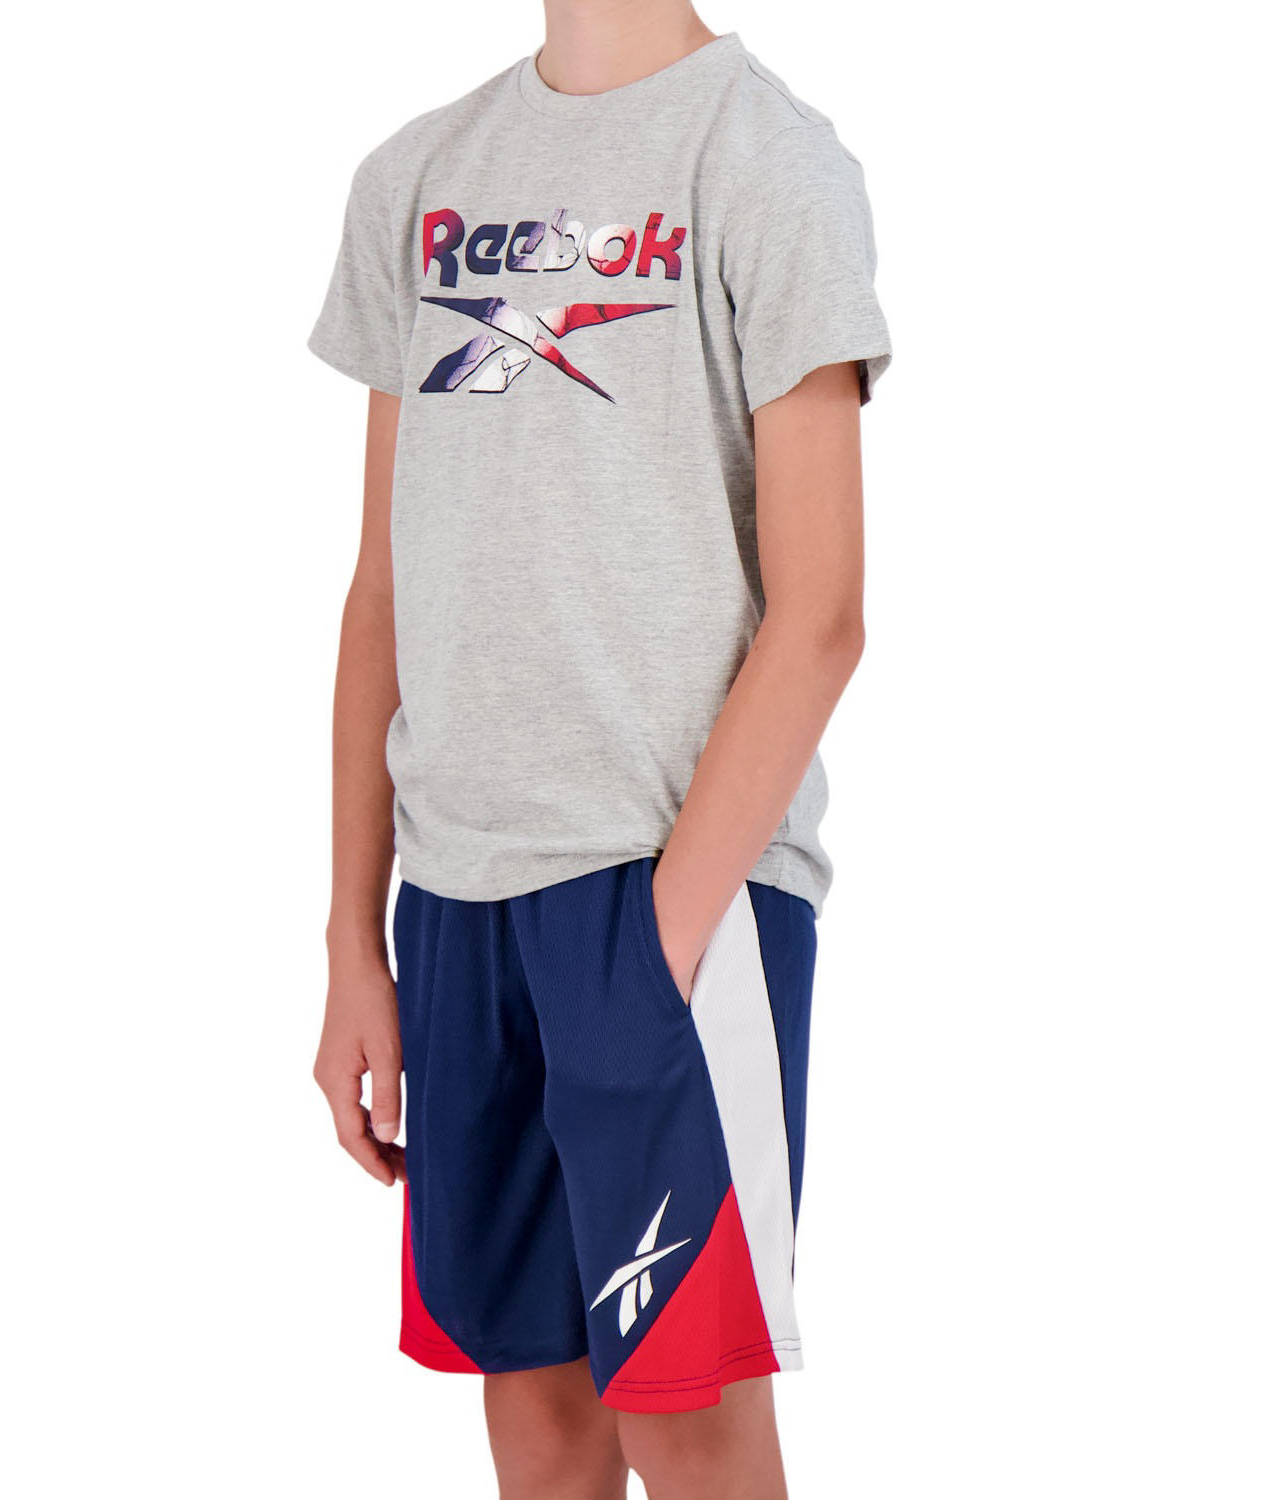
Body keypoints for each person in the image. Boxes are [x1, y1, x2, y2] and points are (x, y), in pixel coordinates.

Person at [308, 3, 890, 1495]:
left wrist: (662, 939)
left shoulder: (764, 159)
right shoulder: (417, 174)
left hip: (669, 887)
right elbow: (382, 587)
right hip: (456, 906)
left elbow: (824, 614)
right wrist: (356, 943)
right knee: (540, 1417)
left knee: (688, 1421)